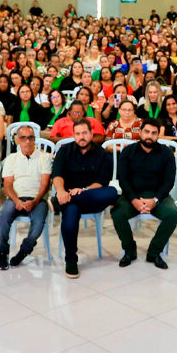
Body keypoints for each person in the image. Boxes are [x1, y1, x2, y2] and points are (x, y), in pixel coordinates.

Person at [51, 119, 119, 278]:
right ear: (73, 135)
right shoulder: (64, 150)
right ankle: (71, 260)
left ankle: (59, 202)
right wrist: (61, 191)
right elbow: (57, 175)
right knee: (70, 215)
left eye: (84, 133)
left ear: (91, 134)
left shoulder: (102, 154)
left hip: (92, 198)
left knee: (112, 192)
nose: (81, 137)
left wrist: (82, 191)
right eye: (77, 134)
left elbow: (102, 182)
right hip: (68, 198)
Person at [111, 119, 177, 269]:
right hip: (132, 195)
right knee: (117, 213)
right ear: (140, 132)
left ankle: (154, 252)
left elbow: (169, 182)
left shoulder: (166, 152)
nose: (150, 136)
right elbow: (123, 179)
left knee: (172, 214)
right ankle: (129, 250)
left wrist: (155, 200)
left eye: (154, 133)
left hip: (158, 195)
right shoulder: (128, 151)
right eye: (147, 132)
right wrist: (134, 199)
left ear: (158, 135)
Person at [0, 125, 52, 270]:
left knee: (38, 223)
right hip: (16, 198)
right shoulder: (11, 159)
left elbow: (45, 184)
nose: (27, 141)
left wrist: (35, 201)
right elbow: (7, 185)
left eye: (30, 137)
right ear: (18, 140)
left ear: (35, 139)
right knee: (3, 219)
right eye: (23, 138)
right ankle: (2, 252)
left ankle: (24, 251)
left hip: (37, 199)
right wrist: (17, 201)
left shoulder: (44, 157)